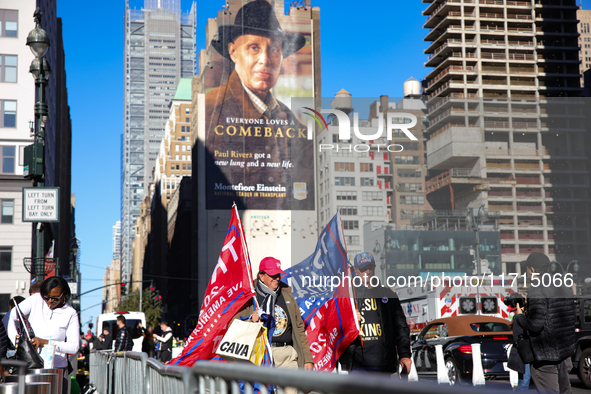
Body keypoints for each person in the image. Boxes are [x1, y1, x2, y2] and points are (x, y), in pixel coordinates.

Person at [205, 0, 314, 211]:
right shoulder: (211, 112)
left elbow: (307, 196)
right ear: (233, 52)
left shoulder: (293, 122)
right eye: (254, 48)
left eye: (273, 49)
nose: (265, 59)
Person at [233, 257, 314, 372]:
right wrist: (250, 319)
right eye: (273, 275)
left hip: (286, 354)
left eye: (279, 274)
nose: (277, 278)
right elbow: (234, 325)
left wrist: (307, 358)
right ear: (262, 276)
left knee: (291, 390)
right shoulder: (249, 296)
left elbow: (299, 329)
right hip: (259, 354)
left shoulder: (287, 295)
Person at [339, 252, 412, 374]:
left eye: (370, 268)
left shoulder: (388, 295)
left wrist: (404, 354)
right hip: (357, 368)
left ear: (374, 268)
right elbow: (334, 325)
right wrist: (349, 319)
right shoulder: (348, 296)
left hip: (384, 367)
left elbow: (401, 327)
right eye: (363, 269)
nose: (367, 272)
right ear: (356, 271)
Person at [514, 252, 575, 394]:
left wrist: (520, 316)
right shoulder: (563, 285)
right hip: (564, 353)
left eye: (527, 269)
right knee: (565, 391)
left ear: (533, 270)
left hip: (546, 356)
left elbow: (535, 325)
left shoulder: (536, 288)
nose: (527, 272)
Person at [7, 276, 80, 394]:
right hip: (32, 367)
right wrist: (17, 341)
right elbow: (9, 317)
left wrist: (46, 342)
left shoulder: (71, 313)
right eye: (46, 297)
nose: (50, 301)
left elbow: (74, 347)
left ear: (64, 294)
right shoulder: (36, 299)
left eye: (55, 298)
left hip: (58, 369)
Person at [507, 291, 530, 391]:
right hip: (523, 354)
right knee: (524, 380)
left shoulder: (525, 316)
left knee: (524, 380)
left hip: (526, 353)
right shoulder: (519, 318)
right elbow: (517, 337)